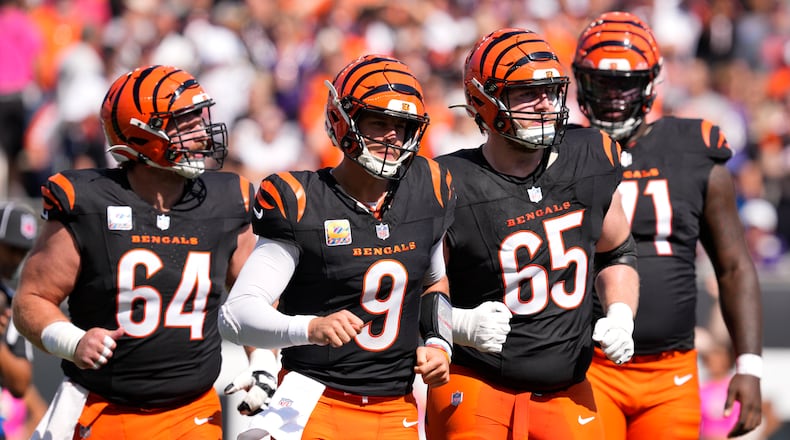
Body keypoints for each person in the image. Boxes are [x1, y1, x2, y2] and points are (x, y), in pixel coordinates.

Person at [11, 64, 261, 440]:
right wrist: (74, 341)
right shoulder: (89, 201)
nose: (200, 129)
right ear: (140, 134)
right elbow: (30, 301)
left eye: (199, 116)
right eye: (184, 120)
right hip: (104, 409)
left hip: (195, 412)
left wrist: (263, 362)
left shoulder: (226, 200)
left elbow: (255, 299)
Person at [219, 54, 455, 440]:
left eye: (402, 125)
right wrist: (309, 328)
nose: (393, 136)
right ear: (343, 121)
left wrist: (439, 343)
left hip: (396, 404)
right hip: (314, 398)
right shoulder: (301, 198)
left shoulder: (428, 187)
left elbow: (434, 284)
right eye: (379, 122)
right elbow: (237, 314)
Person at [424, 28, 640, 439]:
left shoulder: (590, 154)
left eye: (550, 91)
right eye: (526, 93)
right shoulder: (446, 181)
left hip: (567, 388)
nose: (544, 104)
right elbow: (412, 293)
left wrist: (620, 313)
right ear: (481, 102)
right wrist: (461, 324)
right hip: (477, 380)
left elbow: (618, 252)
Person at [571, 11, 763, 439]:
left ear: (652, 83)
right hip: (585, 365)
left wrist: (748, 365)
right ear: (582, 82)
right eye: (602, 83)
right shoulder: (563, 152)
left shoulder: (693, 149)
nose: (614, 97)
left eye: (625, 83)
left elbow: (733, 265)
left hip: (670, 372)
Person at [0, 202, 38, 439]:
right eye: (11, 248)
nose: (16, 258)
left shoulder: (12, 304)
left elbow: (21, 384)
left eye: (22, 251)